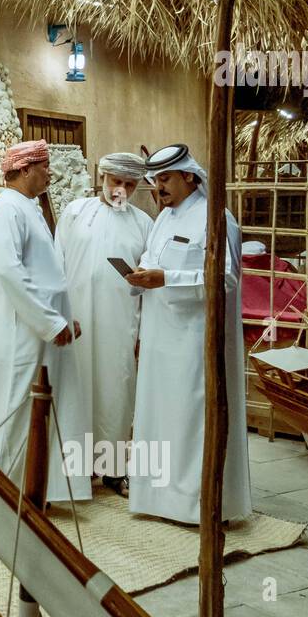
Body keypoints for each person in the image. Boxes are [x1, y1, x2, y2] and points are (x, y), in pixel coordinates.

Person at [125, 144, 252, 524]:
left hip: (195, 341)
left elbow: (226, 278)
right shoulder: (164, 218)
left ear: (188, 176)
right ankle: (157, 501)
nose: (158, 187)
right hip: (160, 338)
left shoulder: (216, 218)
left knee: (192, 422)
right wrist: (141, 275)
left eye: (165, 179)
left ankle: (199, 508)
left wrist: (169, 279)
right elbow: (153, 261)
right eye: (155, 180)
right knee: (159, 417)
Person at [0, 139, 90, 503]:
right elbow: (12, 273)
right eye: (44, 166)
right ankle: (0, 500)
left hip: (41, 333)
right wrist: (49, 322)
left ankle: (33, 495)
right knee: (14, 416)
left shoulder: (28, 208)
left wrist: (63, 319)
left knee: (39, 416)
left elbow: (45, 273)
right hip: (21, 337)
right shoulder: (5, 210)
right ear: (25, 169)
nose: (49, 173)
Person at [54, 153, 153, 496]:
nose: (121, 189)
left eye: (129, 184)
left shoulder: (144, 224)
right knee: (76, 389)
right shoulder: (75, 212)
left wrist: (142, 332)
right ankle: (74, 471)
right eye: (116, 181)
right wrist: (58, 316)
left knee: (116, 393)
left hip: (121, 324)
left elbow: (149, 286)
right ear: (102, 175)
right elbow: (57, 265)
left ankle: (112, 470)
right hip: (76, 320)